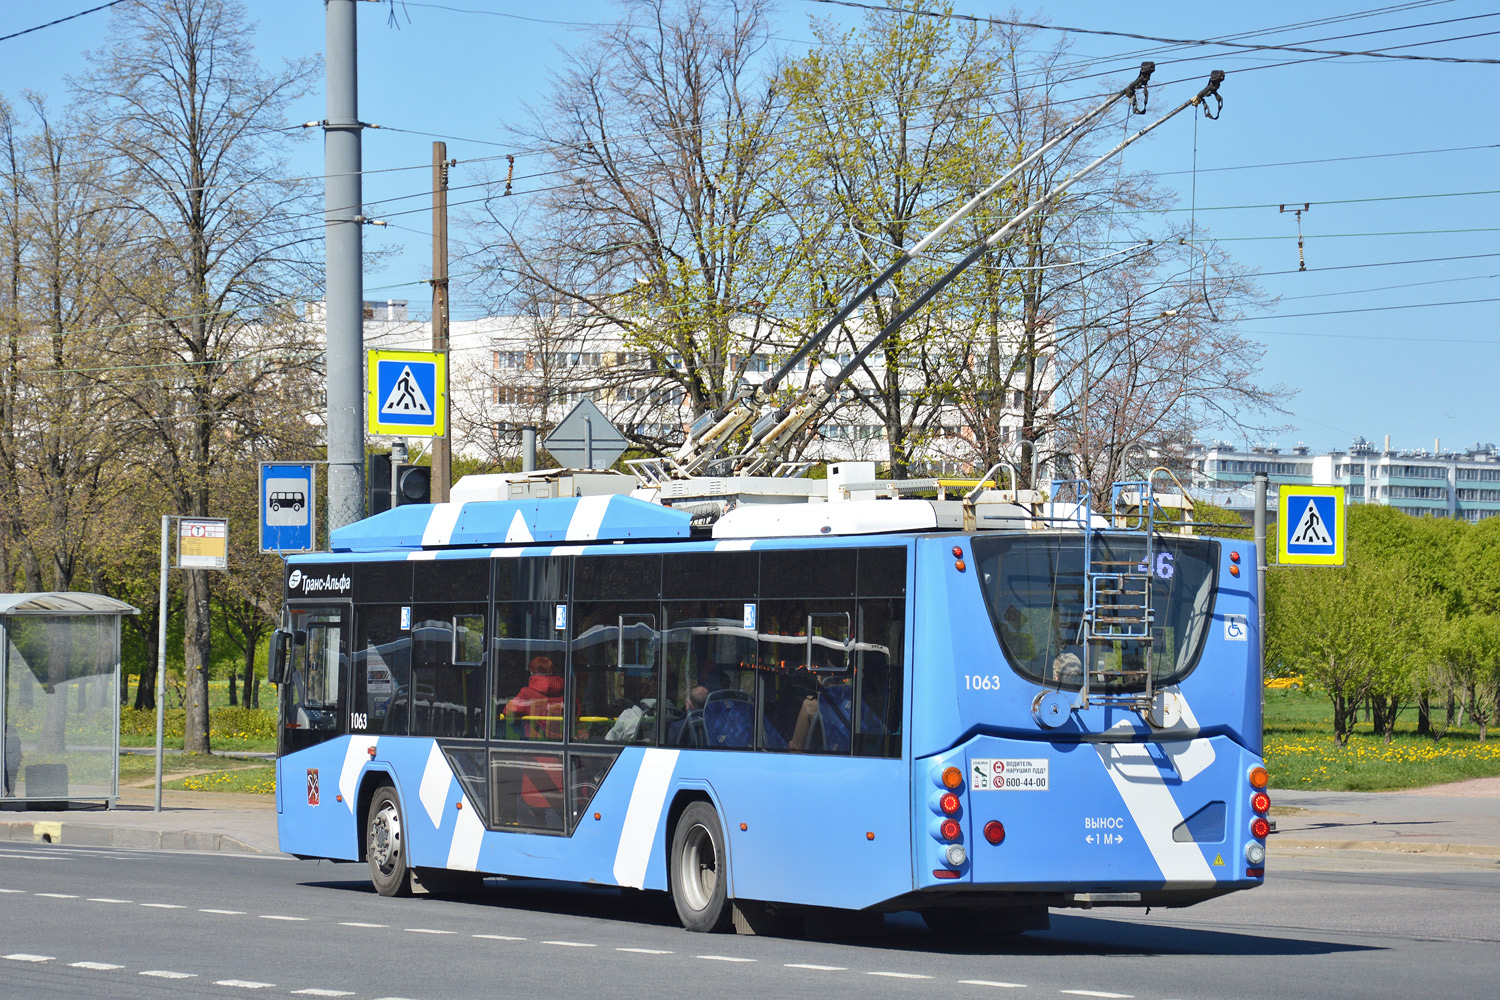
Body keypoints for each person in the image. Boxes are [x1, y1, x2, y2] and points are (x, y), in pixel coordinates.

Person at [503, 655, 565, 740]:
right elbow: (577, 710)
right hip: (560, 743)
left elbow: (508, 710)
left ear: (532, 672)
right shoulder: (566, 693)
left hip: (533, 742)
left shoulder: (526, 693)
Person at [3, 721, 20, 796]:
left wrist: (18, 760)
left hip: (12, 764)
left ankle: (11, 792)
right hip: (4, 763)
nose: (9, 734)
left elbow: (17, 751)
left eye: (11, 732)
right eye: (7, 732)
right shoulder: (2, 740)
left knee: (11, 779)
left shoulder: (16, 740)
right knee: (4, 778)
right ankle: (7, 792)